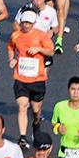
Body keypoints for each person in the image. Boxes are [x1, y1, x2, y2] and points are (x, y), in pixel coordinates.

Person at [8, 8, 55, 146]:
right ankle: (22, 136)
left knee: (35, 110)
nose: (26, 26)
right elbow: (10, 47)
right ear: (21, 22)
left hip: (37, 79)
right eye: (24, 23)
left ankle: (36, 123)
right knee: (22, 106)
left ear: (34, 23)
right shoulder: (16, 35)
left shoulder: (41, 36)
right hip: (21, 78)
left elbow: (51, 52)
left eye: (29, 23)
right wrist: (11, 59)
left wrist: (39, 49)